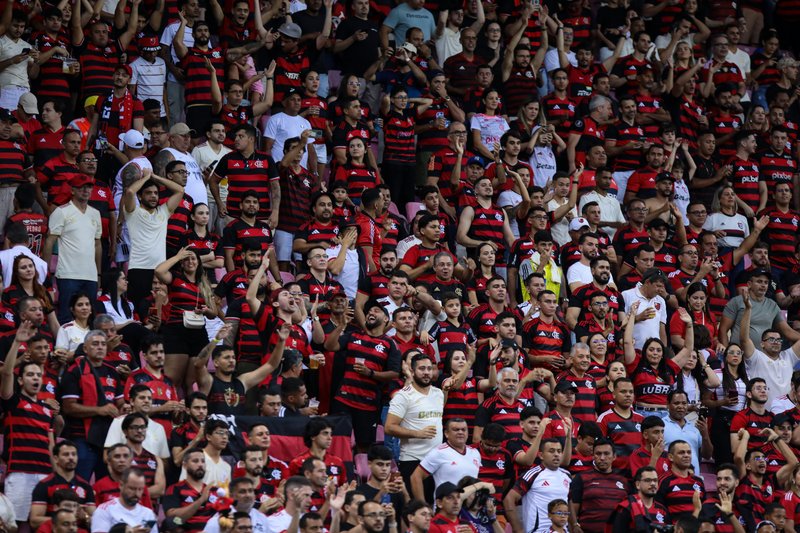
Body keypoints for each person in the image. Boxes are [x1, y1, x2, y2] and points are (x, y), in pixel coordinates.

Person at [42, 175, 101, 323]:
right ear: (72, 190)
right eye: (81, 187)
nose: (85, 190)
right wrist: (45, 270)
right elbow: (50, 241)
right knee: (66, 316)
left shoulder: (95, 213)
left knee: (89, 318)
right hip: (68, 274)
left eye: (88, 187)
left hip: (90, 276)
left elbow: (97, 245)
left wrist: (98, 274)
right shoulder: (62, 211)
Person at [385, 352, 444, 486]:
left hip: (436, 460)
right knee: (415, 505)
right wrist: (417, 433)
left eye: (429, 368)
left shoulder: (438, 393)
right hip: (412, 460)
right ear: (412, 371)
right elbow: (389, 427)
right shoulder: (403, 396)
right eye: (422, 369)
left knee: (434, 504)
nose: (426, 372)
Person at [504, 439, 571, 533]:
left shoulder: (566, 475)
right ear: (541, 455)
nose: (556, 454)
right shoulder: (532, 475)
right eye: (551, 451)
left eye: (559, 451)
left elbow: (570, 503)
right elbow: (509, 499)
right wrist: (518, 529)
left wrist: (574, 524)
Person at [568, 437, 629, 532]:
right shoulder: (581, 478)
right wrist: (574, 526)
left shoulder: (624, 482)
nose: (602, 458)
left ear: (614, 456)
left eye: (606, 453)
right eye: (598, 454)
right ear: (593, 456)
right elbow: (572, 510)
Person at [89, 468, 157, 533]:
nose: (136, 493)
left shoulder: (148, 514)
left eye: (140, 489)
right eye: (132, 488)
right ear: (121, 485)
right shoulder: (104, 510)